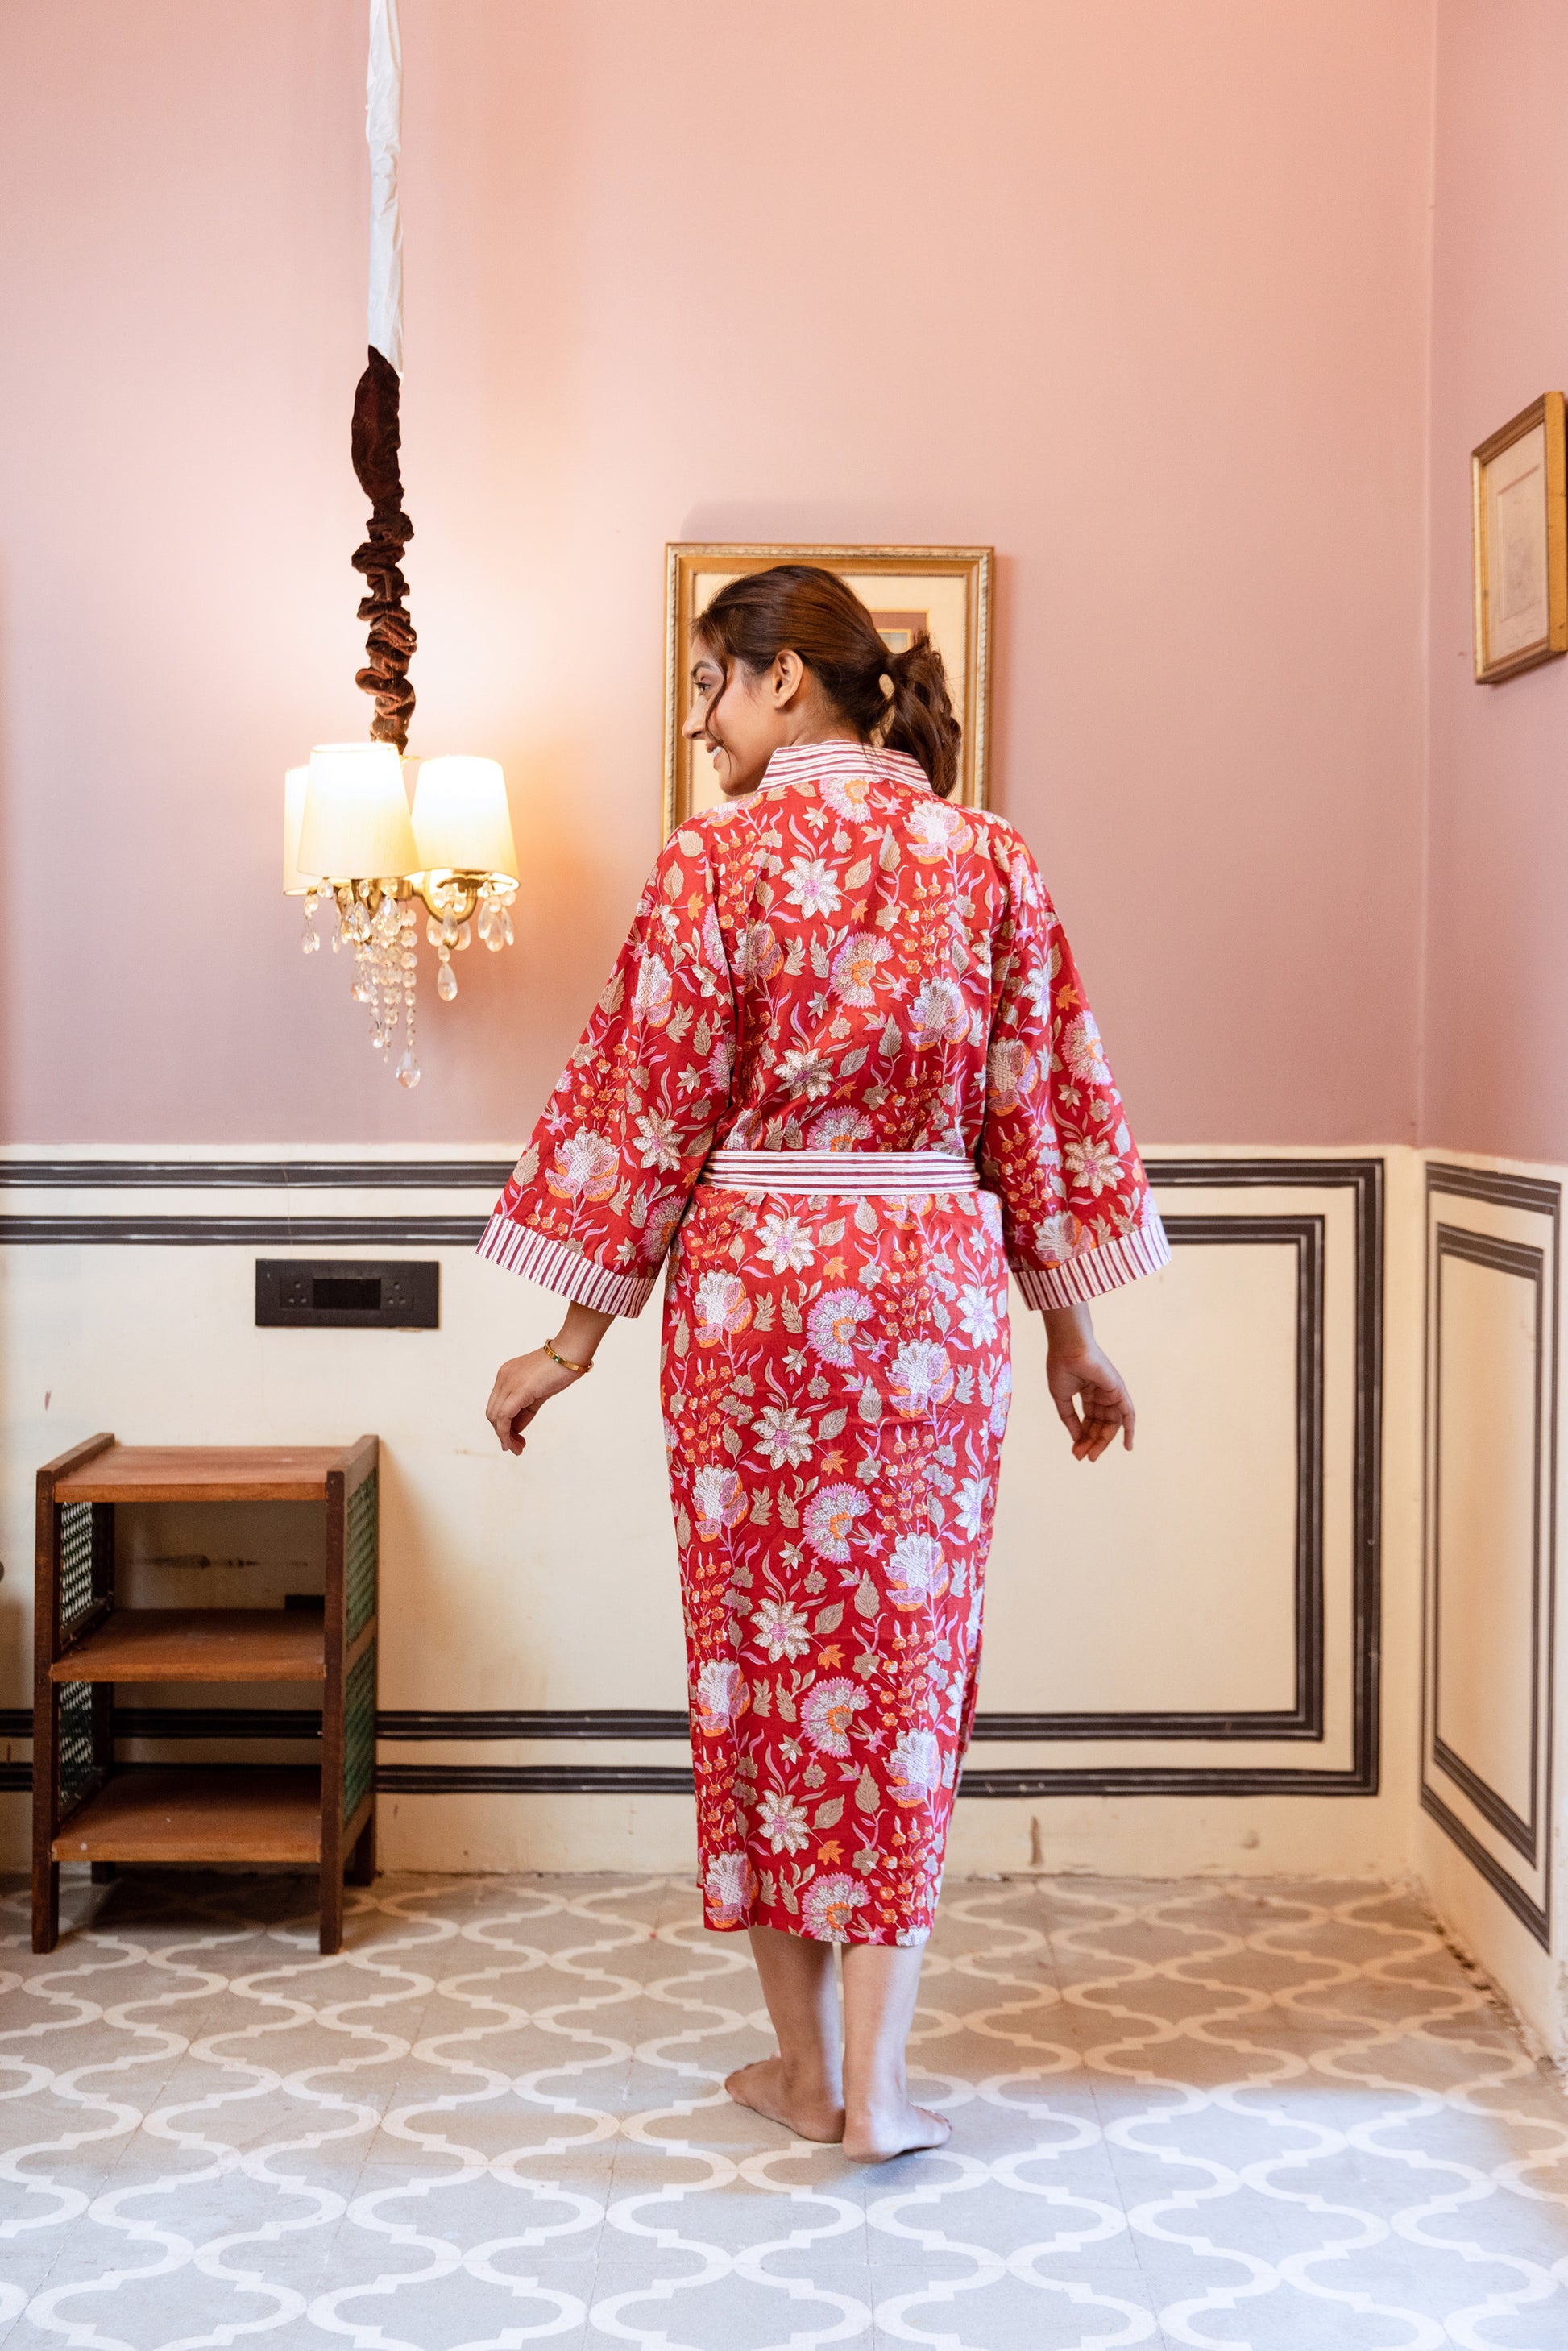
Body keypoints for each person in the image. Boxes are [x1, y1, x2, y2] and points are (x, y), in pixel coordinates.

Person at [481, 563, 1168, 2161]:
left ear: (785, 676)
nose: (698, 721)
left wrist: (567, 1341)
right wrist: (1075, 1339)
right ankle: (885, 2085)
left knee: (762, 1678)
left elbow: (649, 1105)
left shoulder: (709, 864)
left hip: (753, 1312)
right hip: (931, 1311)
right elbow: (1036, 1113)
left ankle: (807, 2076)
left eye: (709, 683)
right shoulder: (989, 860)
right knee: (906, 1680)